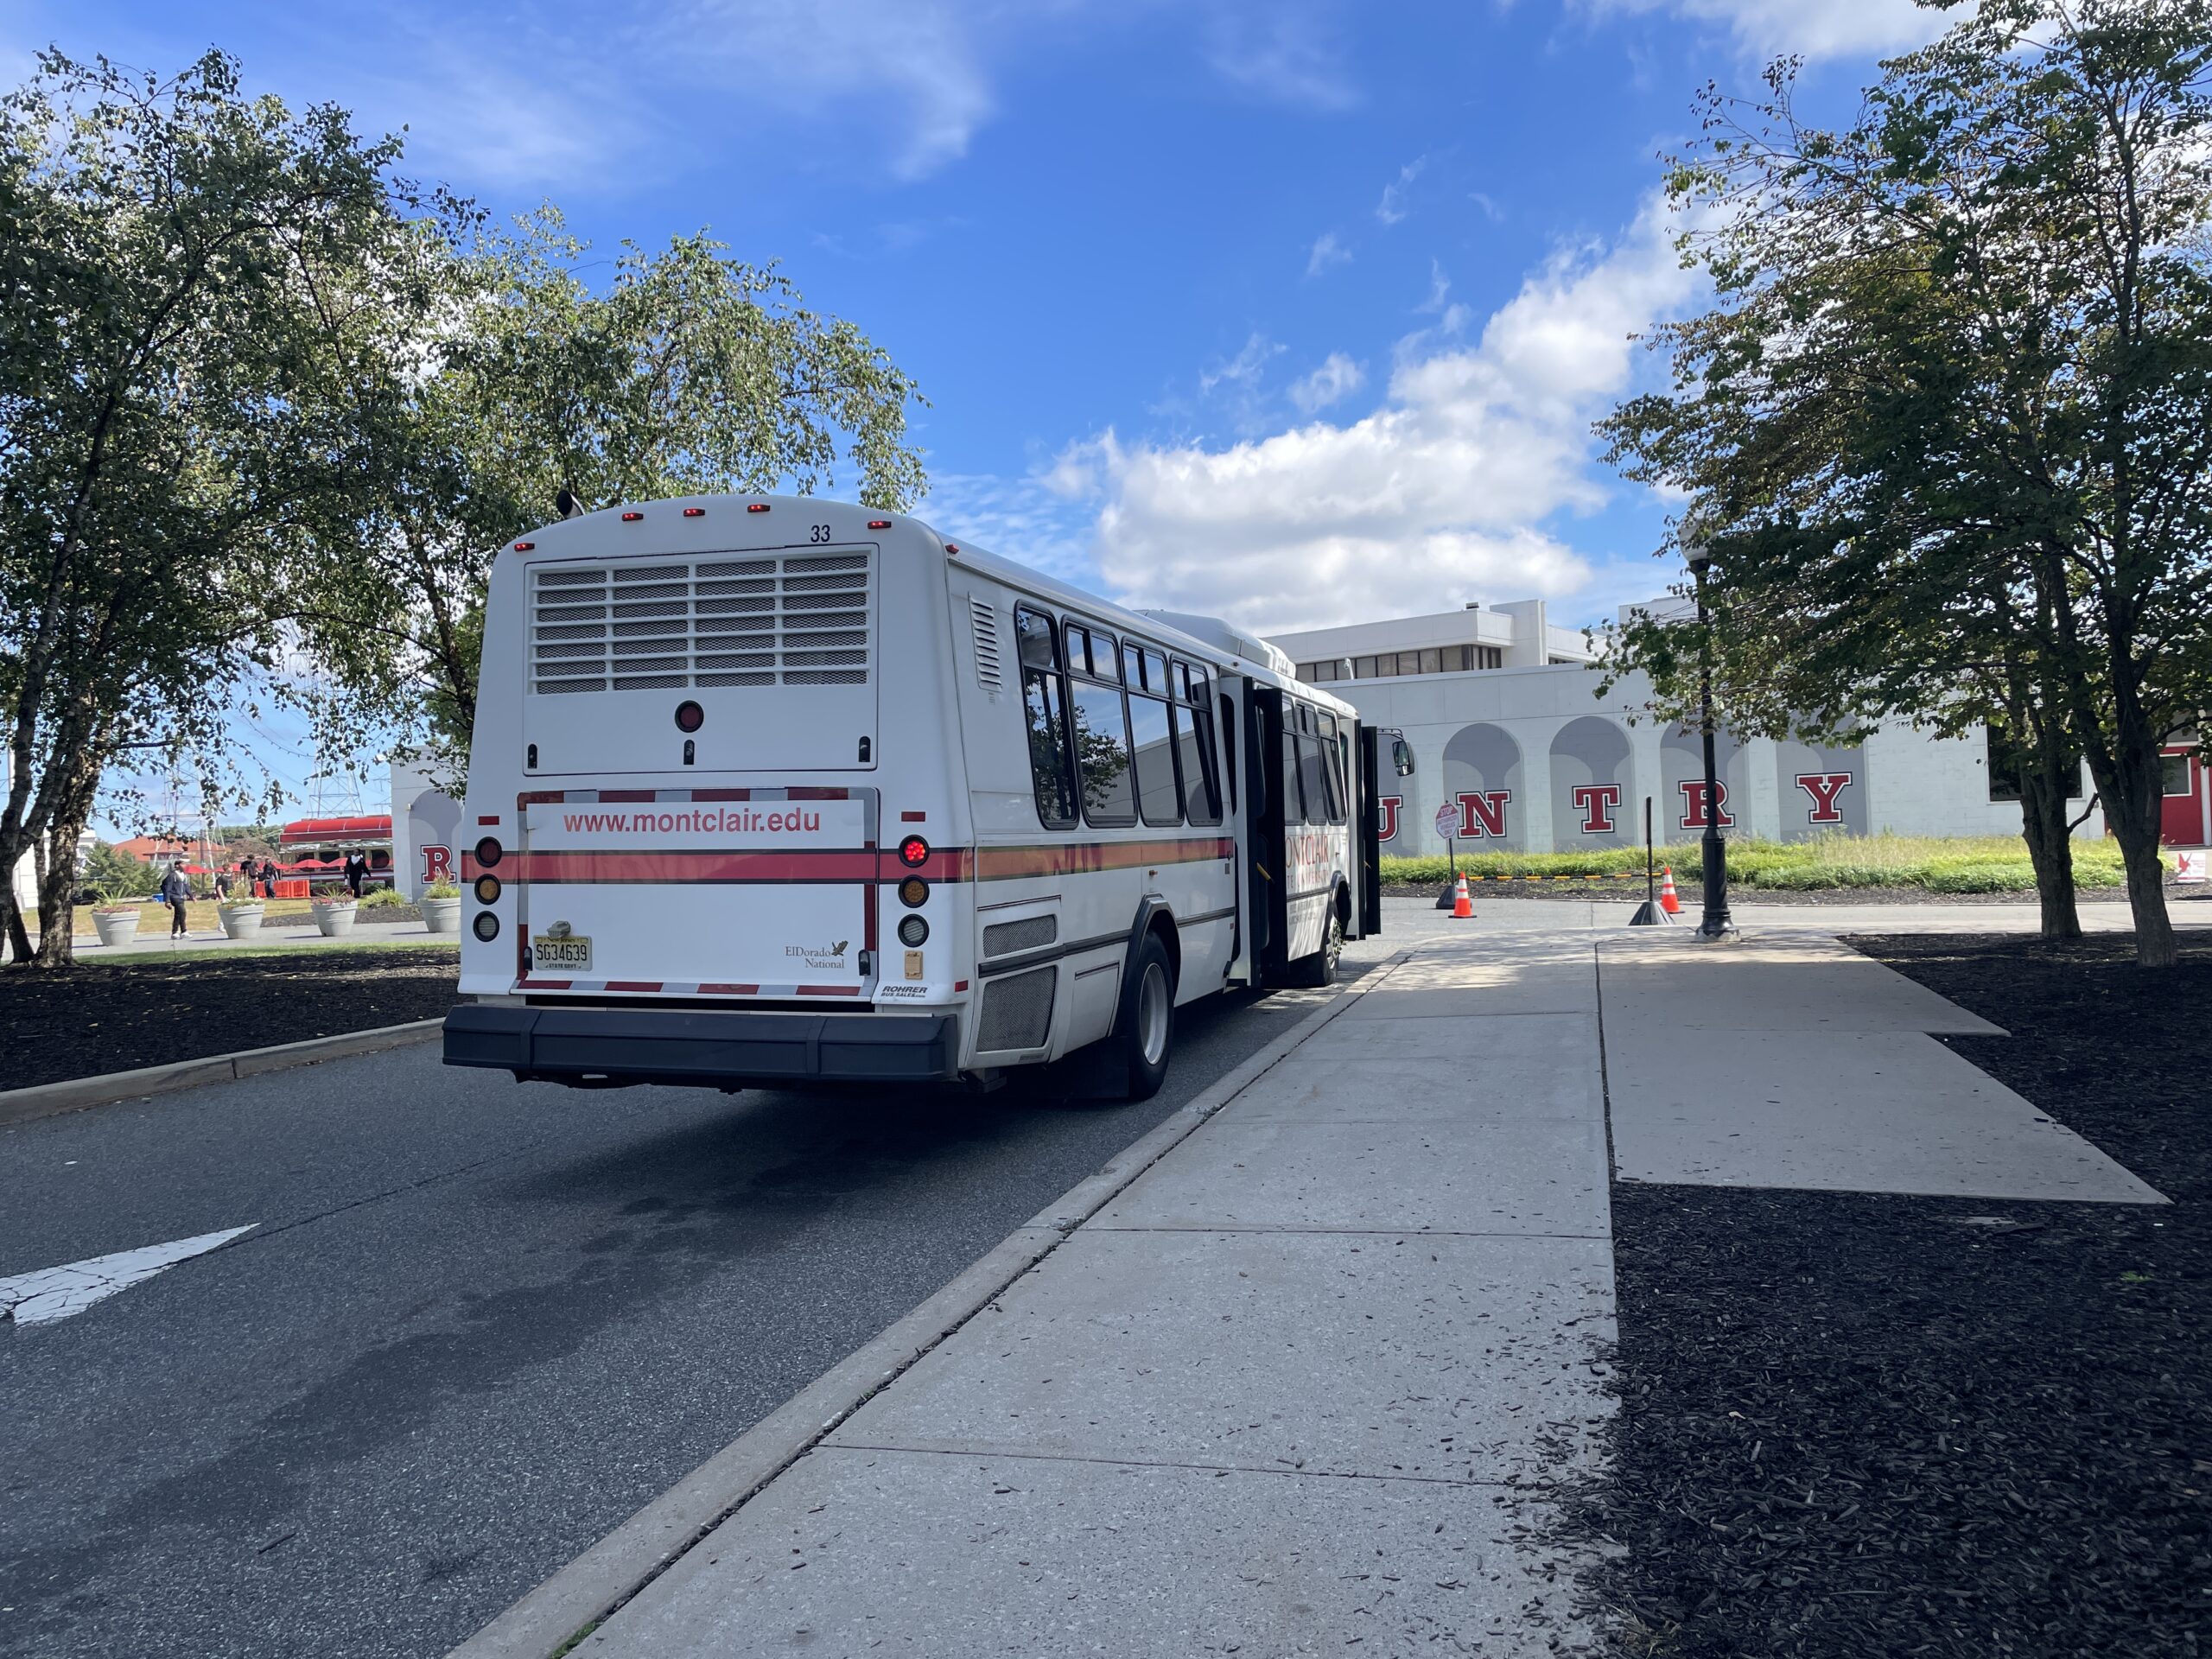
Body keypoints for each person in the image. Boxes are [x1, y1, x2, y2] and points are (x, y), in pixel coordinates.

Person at [160, 860, 191, 938]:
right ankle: (184, 931)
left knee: (178, 915)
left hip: (181, 897)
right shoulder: (172, 875)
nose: (185, 865)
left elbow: (186, 887)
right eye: (183, 864)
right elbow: (168, 888)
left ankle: (174, 933)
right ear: (177, 866)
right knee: (183, 912)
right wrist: (167, 901)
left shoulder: (184, 875)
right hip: (174, 897)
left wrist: (192, 896)